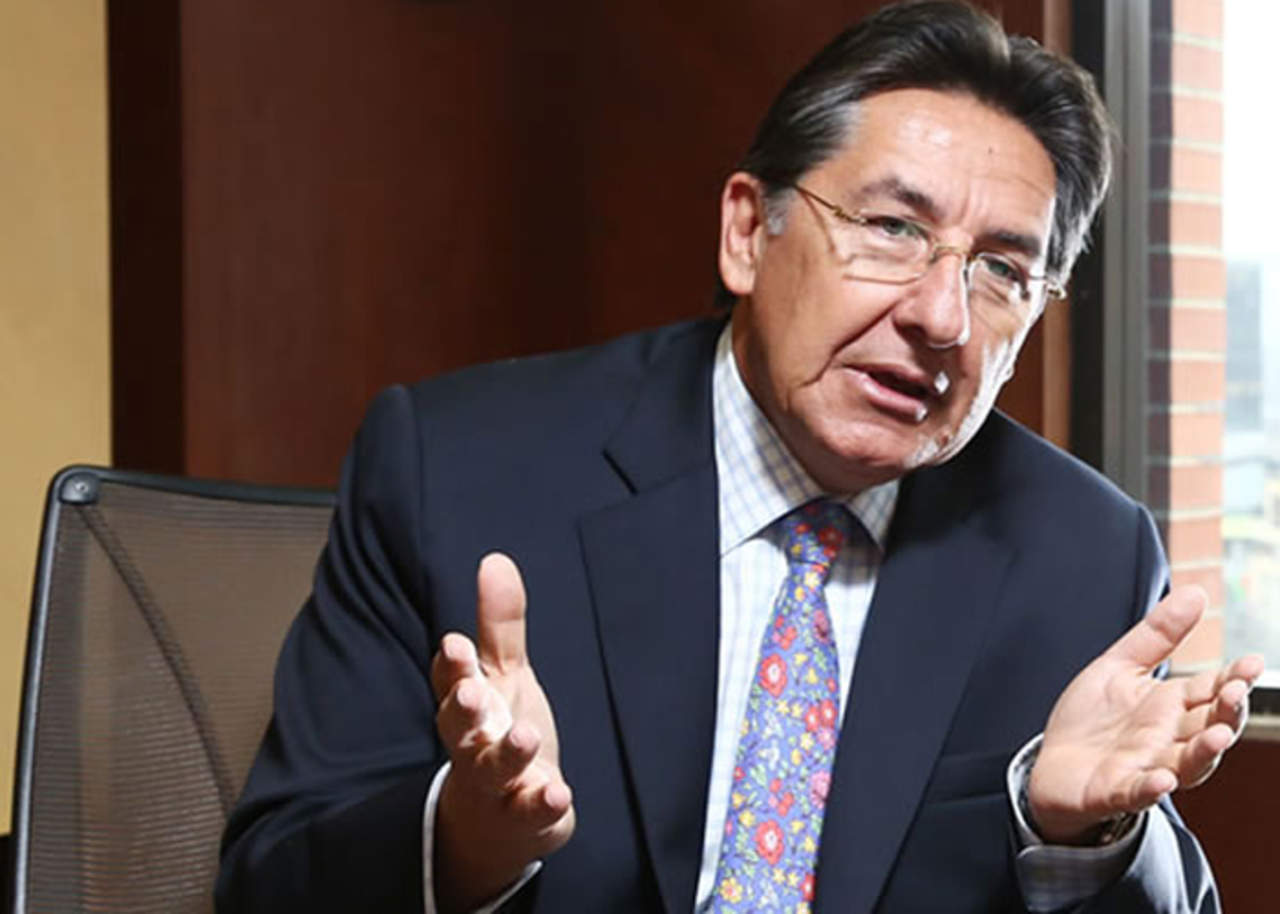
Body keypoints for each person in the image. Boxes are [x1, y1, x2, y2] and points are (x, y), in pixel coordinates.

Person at [216, 2, 1262, 912]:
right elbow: (269, 881)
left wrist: (1079, 838)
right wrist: (466, 838)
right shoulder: (458, 468)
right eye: (892, 228)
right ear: (747, 233)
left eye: (1000, 271)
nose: (941, 316)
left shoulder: (1083, 554)